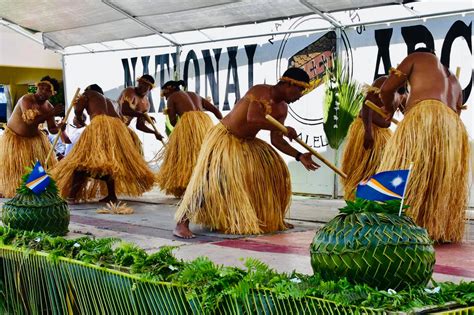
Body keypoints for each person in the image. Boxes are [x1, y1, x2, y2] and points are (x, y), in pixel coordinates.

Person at [174, 68, 319, 238]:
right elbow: (253, 118)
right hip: (225, 138)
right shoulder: (261, 91)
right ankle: (181, 222)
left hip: (247, 143)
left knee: (269, 173)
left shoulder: (282, 109)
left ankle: (273, 218)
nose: (300, 95)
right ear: (288, 83)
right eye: (299, 90)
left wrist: (299, 155)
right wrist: (283, 128)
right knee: (211, 180)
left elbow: (277, 140)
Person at [378, 47, 469, 243]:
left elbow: (386, 89)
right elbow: (457, 112)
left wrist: (388, 108)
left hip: (424, 115)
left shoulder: (416, 57)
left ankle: (397, 224)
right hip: (452, 127)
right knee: (438, 179)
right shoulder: (454, 79)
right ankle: (435, 228)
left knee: (402, 171)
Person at [51, 84, 155, 203]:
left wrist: (79, 119)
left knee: (81, 162)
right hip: (118, 129)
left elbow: (78, 111)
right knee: (107, 163)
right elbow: (122, 117)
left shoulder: (88, 94)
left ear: (89, 91)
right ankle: (111, 195)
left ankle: (72, 196)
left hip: (101, 125)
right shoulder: (112, 102)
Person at [341, 76, 408, 200]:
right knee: (362, 167)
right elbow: (367, 105)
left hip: (383, 133)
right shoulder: (383, 83)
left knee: (383, 166)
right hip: (367, 128)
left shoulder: (405, 91)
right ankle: (355, 196)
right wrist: (368, 132)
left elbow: (407, 113)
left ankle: (375, 197)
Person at [156, 80, 223, 197]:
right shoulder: (195, 95)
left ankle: (190, 187)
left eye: (165, 94)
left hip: (189, 126)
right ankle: (209, 185)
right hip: (205, 124)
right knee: (205, 155)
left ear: (170, 89)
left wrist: (179, 133)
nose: (165, 98)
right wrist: (223, 125)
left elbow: (172, 120)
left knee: (188, 157)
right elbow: (216, 111)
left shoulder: (173, 97)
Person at [0, 76, 64, 197]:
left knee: (40, 166)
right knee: (17, 169)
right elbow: (29, 121)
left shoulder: (49, 107)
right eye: (41, 88)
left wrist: (60, 127)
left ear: (53, 93)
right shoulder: (27, 99)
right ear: (37, 87)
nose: (43, 92)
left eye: (47, 90)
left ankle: (36, 191)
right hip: (15, 139)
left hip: (35, 140)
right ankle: (15, 192)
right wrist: (52, 113)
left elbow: (52, 130)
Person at [118, 74, 163, 154]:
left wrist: (154, 132)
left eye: (146, 85)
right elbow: (124, 110)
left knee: (137, 149)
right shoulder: (129, 91)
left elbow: (140, 125)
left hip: (123, 128)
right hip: (114, 124)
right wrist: (143, 115)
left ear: (150, 88)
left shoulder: (146, 104)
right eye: (141, 83)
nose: (142, 86)